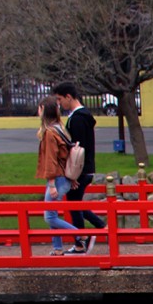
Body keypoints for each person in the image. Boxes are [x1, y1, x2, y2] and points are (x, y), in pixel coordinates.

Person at [52, 82, 106, 254]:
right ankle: (98, 225)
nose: (59, 104)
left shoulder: (77, 119)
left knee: (74, 204)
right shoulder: (83, 117)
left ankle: (80, 241)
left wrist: (74, 175)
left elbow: (77, 149)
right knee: (75, 203)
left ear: (69, 96)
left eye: (60, 99)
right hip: (86, 167)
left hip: (80, 169)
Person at [35, 96, 80, 256]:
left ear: (44, 110)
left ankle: (80, 235)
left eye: (39, 109)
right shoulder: (60, 129)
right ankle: (57, 247)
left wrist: (52, 183)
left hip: (57, 179)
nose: (38, 112)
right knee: (52, 214)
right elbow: (66, 155)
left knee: (50, 216)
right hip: (64, 177)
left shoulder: (49, 133)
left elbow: (51, 160)